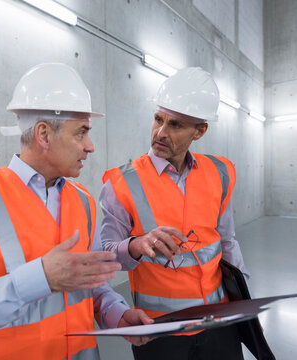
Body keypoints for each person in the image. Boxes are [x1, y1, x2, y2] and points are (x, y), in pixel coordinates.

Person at [0, 63, 153, 360]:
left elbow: (91, 285)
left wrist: (117, 314)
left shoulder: (82, 201)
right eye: (81, 133)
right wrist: (39, 278)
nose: (90, 146)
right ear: (44, 135)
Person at [100, 67, 250, 360]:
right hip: (158, 330)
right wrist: (135, 245)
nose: (161, 133)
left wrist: (242, 298)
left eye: (176, 125)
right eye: (158, 119)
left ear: (200, 130)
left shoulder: (220, 173)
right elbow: (105, 254)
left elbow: (227, 241)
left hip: (217, 322)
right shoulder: (121, 183)